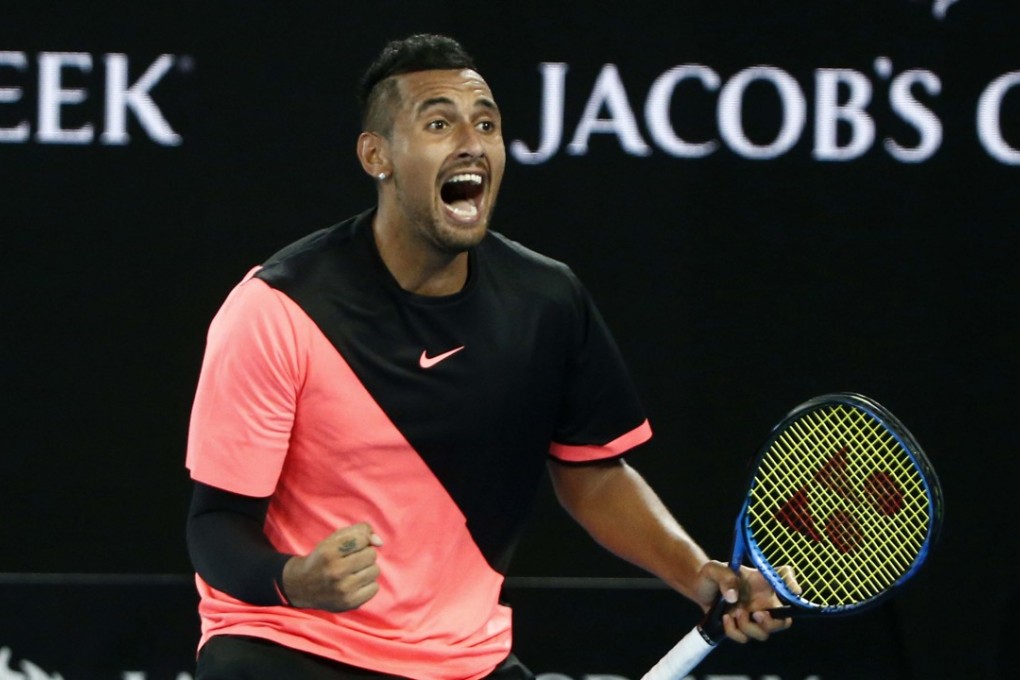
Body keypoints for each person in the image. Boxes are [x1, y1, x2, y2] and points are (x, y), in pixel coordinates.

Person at [185, 33, 791, 680]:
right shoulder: (279, 307)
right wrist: (293, 579)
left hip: (462, 661)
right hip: (288, 647)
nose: (471, 142)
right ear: (376, 155)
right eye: (439, 123)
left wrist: (702, 576)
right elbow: (215, 525)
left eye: (487, 124)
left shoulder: (547, 302)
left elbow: (594, 474)